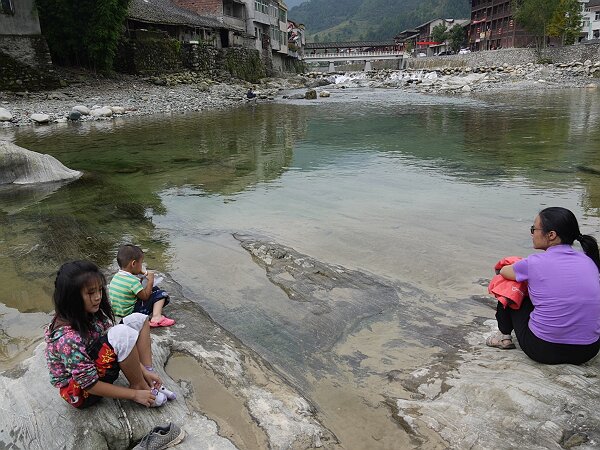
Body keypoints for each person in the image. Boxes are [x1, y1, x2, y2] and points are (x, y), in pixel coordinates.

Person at [45, 260, 176, 409]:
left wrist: (144, 371)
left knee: (139, 319)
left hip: (93, 366)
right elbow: (89, 385)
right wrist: (133, 395)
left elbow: (116, 340)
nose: (98, 297)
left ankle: (148, 377)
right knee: (122, 333)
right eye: (90, 293)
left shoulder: (89, 314)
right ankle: (139, 387)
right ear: (71, 297)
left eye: (99, 290)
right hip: (80, 393)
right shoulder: (67, 340)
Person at [487, 207, 600, 365]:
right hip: (588, 350)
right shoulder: (589, 262)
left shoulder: (535, 262)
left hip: (545, 349)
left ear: (551, 235)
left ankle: (503, 336)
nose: (532, 234)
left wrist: (515, 264)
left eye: (534, 229)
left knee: (510, 283)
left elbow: (503, 272)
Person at [109, 244, 175, 327]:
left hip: (119, 311)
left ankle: (155, 314)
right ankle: (156, 318)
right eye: (141, 263)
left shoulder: (117, 276)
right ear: (133, 264)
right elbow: (145, 297)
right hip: (131, 314)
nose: (141, 266)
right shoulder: (133, 282)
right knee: (161, 294)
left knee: (154, 289)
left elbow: (131, 291)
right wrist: (151, 280)